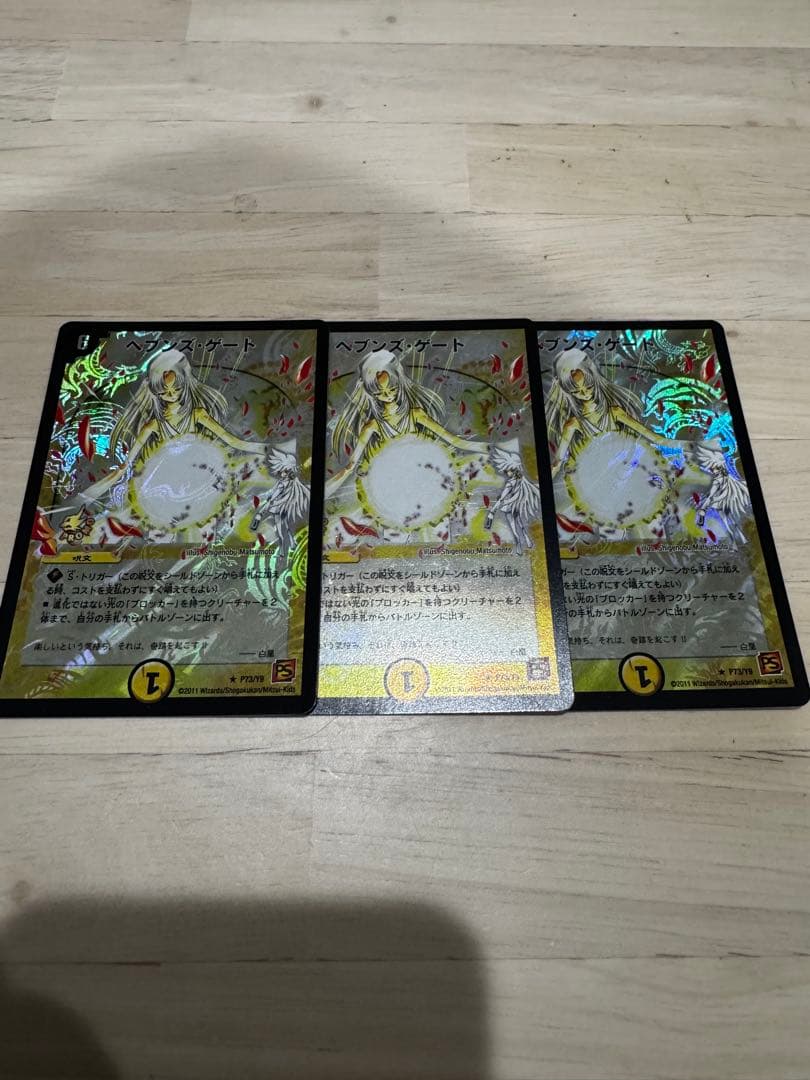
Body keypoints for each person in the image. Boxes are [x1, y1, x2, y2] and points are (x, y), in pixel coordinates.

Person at [326, 350, 488, 498]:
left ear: (399, 385)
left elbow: (456, 441)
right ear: (372, 394)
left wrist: (492, 449)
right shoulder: (372, 426)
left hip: (424, 475)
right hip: (393, 483)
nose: (388, 395)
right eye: (380, 393)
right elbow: (350, 466)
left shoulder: (415, 414)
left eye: (392, 389)